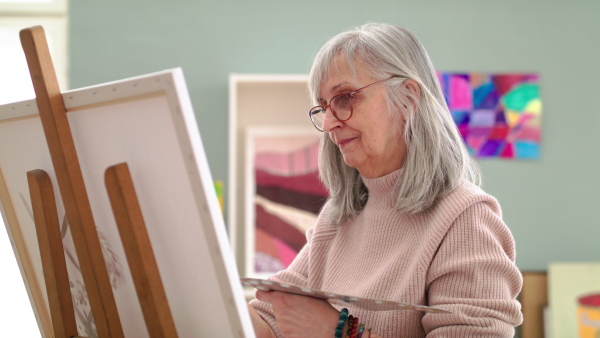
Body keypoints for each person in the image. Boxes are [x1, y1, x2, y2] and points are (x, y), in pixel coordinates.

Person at [248, 22, 523, 338]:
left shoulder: (465, 218)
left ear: (407, 99)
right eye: (324, 107)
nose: (329, 124)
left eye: (345, 98)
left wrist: (337, 331)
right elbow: (271, 321)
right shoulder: (338, 220)